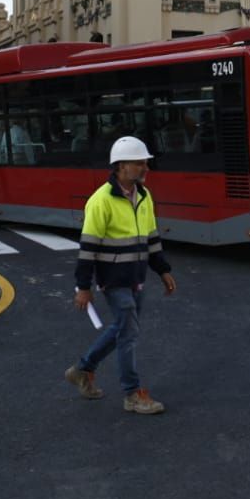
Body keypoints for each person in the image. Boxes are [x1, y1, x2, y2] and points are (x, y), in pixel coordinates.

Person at [65, 135, 176, 415]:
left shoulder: (144, 196)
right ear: (121, 166)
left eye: (145, 163)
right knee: (129, 332)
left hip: (137, 276)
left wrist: (162, 270)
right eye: (140, 163)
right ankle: (132, 393)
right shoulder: (100, 201)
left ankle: (83, 369)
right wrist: (83, 287)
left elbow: (151, 237)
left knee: (122, 328)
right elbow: (88, 248)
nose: (146, 168)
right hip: (113, 280)